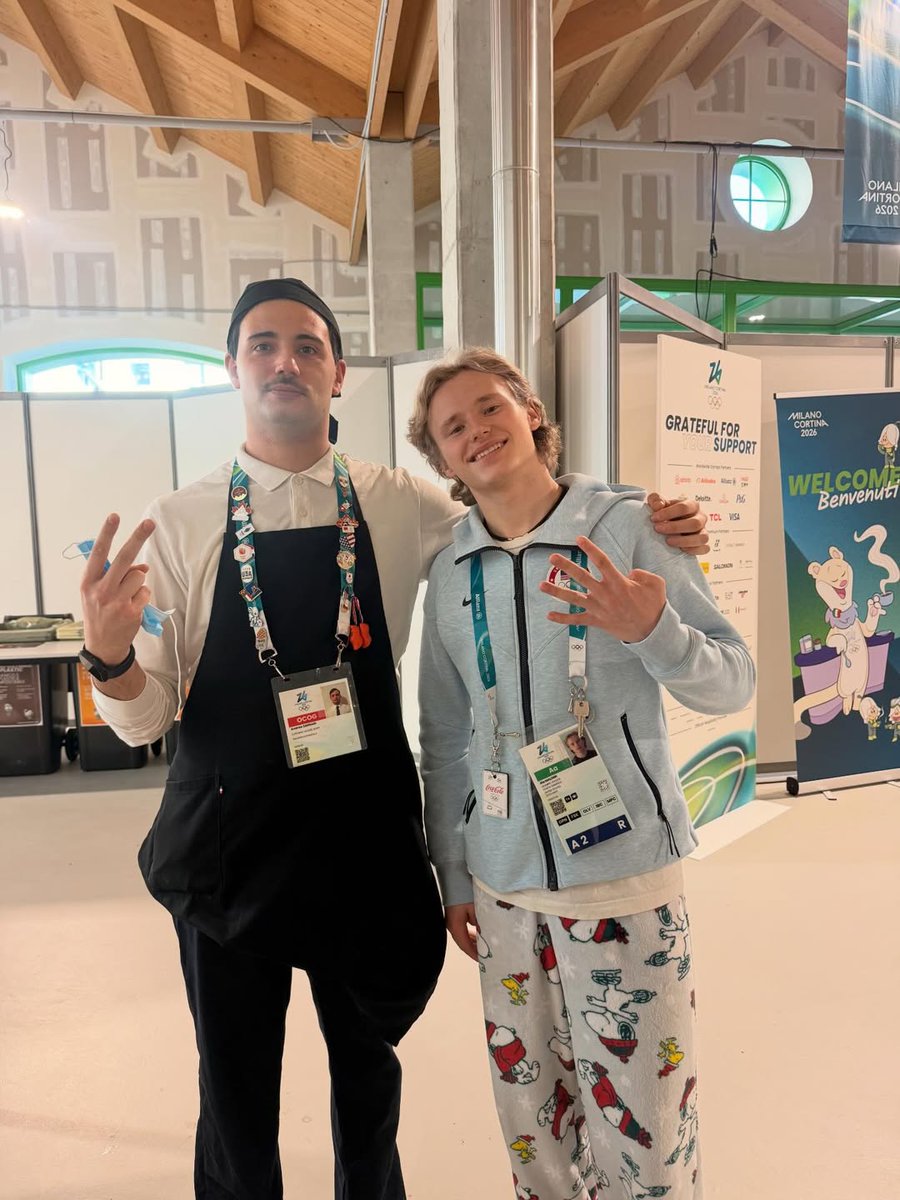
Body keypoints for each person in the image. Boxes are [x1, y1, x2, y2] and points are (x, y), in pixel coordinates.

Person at [78, 278, 711, 1200]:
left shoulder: (405, 503)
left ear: (339, 373)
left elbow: (517, 510)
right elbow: (147, 715)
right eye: (262, 345)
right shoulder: (180, 520)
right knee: (235, 1091)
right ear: (232, 369)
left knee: (368, 1082)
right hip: (225, 848)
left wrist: (647, 520)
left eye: (307, 346)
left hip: (360, 847)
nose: (285, 362)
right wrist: (106, 659)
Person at [407, 347, 755, 1200]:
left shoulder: (633, 528)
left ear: (530, 411)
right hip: (504, 891)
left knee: (649, 1127)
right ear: (442, 460)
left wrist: (652, 631)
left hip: (624, 880)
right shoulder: (449, 574)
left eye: (490, 407)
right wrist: (454, 873)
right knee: (536, 1128)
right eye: (453, 428)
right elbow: (444, 737)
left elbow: (732, 681)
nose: (477, 432)